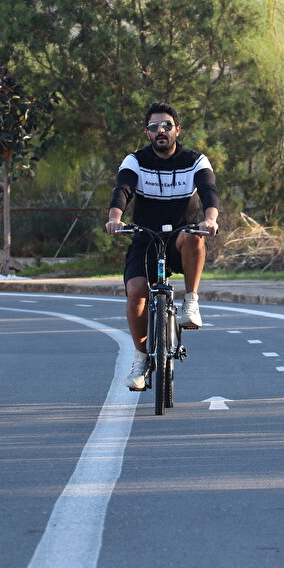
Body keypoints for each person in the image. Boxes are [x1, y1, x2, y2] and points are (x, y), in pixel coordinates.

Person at [105, 102, 220, 391]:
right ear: (147, 133)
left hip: (181, 239)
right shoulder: (135, 160)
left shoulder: (195, 160)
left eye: (167, 125)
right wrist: (115, 219)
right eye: (154, 127)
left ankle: (191, 301)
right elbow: (123, 190)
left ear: (177, 130)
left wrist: (210, 219)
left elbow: (208, 190)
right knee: (136, 294)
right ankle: (141, 358)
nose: (161, 131)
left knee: (195, 236)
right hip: (145, 238)